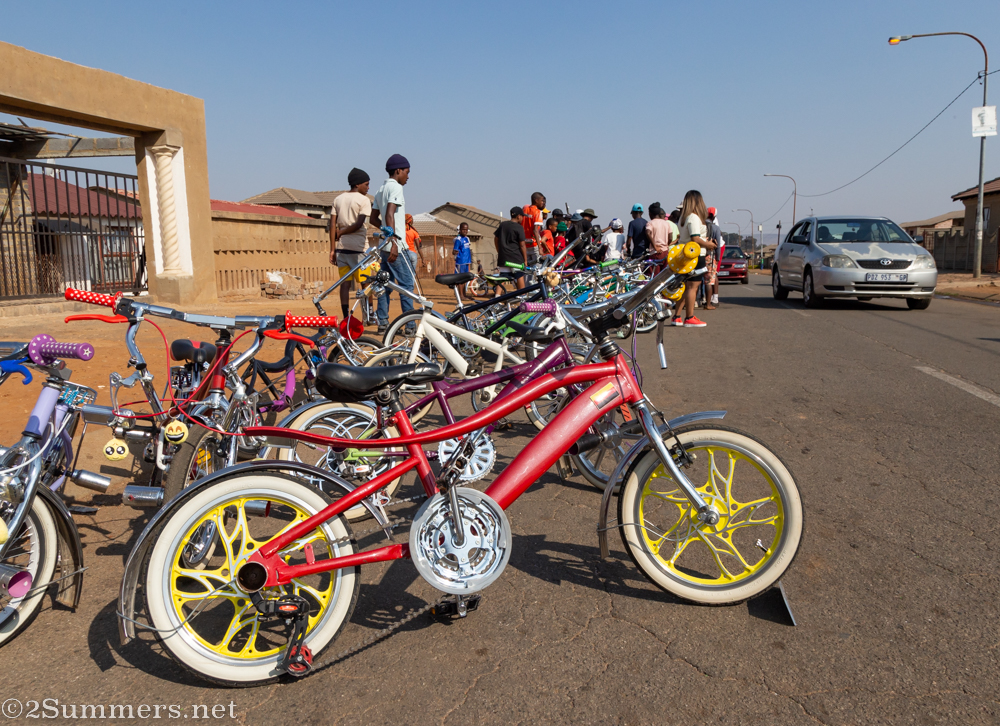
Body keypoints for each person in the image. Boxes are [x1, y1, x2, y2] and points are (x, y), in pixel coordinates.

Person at [370, 153, 415, 333]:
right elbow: (389, 214)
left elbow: (374, 218)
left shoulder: (380, 190)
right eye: (407, 172)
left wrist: (385, 232)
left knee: (384, 284)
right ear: (398, 171)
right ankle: (411, 326)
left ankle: (383, 323)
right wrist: (394, 240)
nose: (408, 176)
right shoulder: (396, 188)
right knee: (406, 286)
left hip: (385, 247)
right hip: (396, 247)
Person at [329, 167, 372, 320]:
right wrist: (341, 233)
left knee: (345, 284)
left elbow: (332, 226)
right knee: (366, 283)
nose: (368, 188)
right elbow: (360, 224)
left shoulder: (338, 199)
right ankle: (368, 315)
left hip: (342, 250)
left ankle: (346, 317)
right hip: (360, 249)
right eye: (366, 184)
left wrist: (332, 250)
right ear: (357, 184)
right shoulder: (364, 200)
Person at [674, 190, 716, 328]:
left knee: (686, 286)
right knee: (693, 287)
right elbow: (695, 238)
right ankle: (689, 317)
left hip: (685, 255)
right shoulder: (694, 217)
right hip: (695, 255)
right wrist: (709, 244)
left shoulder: (683, 218)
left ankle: (677, 316)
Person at [494, 206, 528, 289]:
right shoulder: (519, 227)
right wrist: (525, 260)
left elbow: (496, 238)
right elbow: (522, 245)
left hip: (504, 257)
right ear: (518, 216)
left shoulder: (503, 225)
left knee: (502, 277)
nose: (523, 218)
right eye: (522, 216)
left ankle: (497, 296)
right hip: (516, 258)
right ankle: (522, 296)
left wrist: (499, 251)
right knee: (519, 275)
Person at [704, 207, 724, 309]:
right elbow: (718, 245)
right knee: (709, 280)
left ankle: (698, 299)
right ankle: (708, 304)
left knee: (697, 279)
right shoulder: (715, 228)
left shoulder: (701, 226)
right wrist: (718, 258)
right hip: (709, 256)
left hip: (698, 255)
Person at [521, 192, 546, 264]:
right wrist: (540, 247)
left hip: (525, 244)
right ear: (536, 200)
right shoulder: (537, 212)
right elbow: (535, 231)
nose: (542, 202)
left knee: (527, 268)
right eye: (541, 200)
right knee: (537, 268)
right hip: (534, 244)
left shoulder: (525, 209)